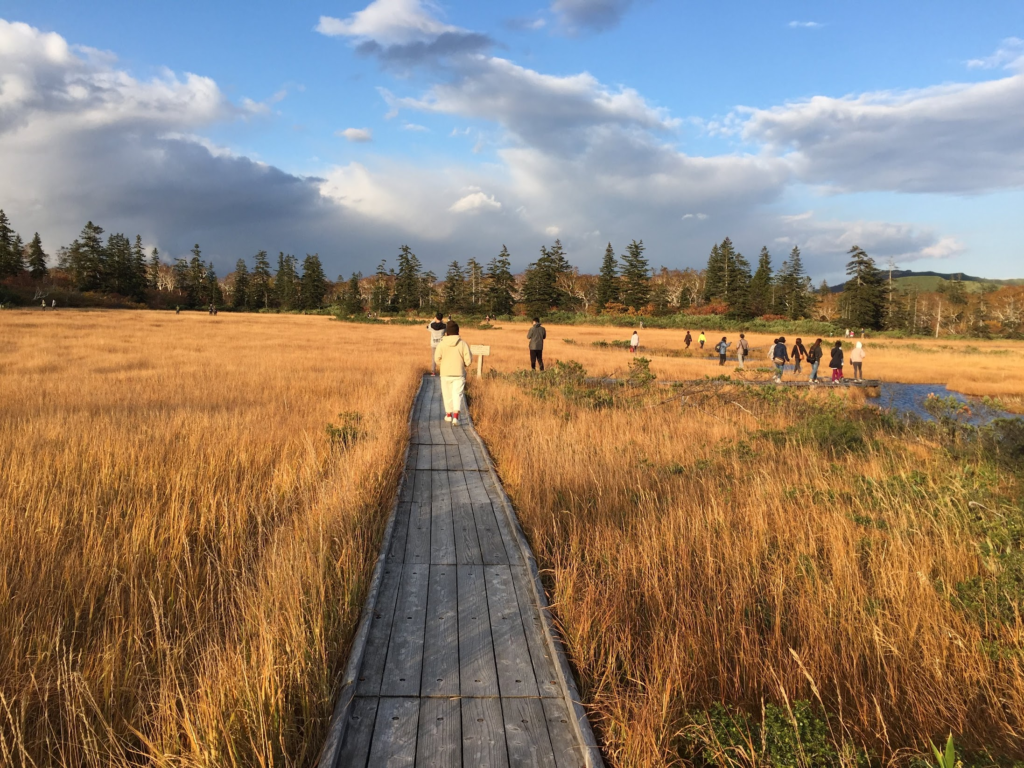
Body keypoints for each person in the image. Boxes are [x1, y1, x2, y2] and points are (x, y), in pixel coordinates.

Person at [434, 321, 473, 426]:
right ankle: (456, 417)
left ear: (447, 332)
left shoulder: (441, 344)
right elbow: (468, 360)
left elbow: (437, 358)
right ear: (457, 331)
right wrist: (462, 365)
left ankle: (448, 415)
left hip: (445, 373)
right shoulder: (463, 344)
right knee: (457, 395)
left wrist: (443, 365)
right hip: (459, 374)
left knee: (447, 395)